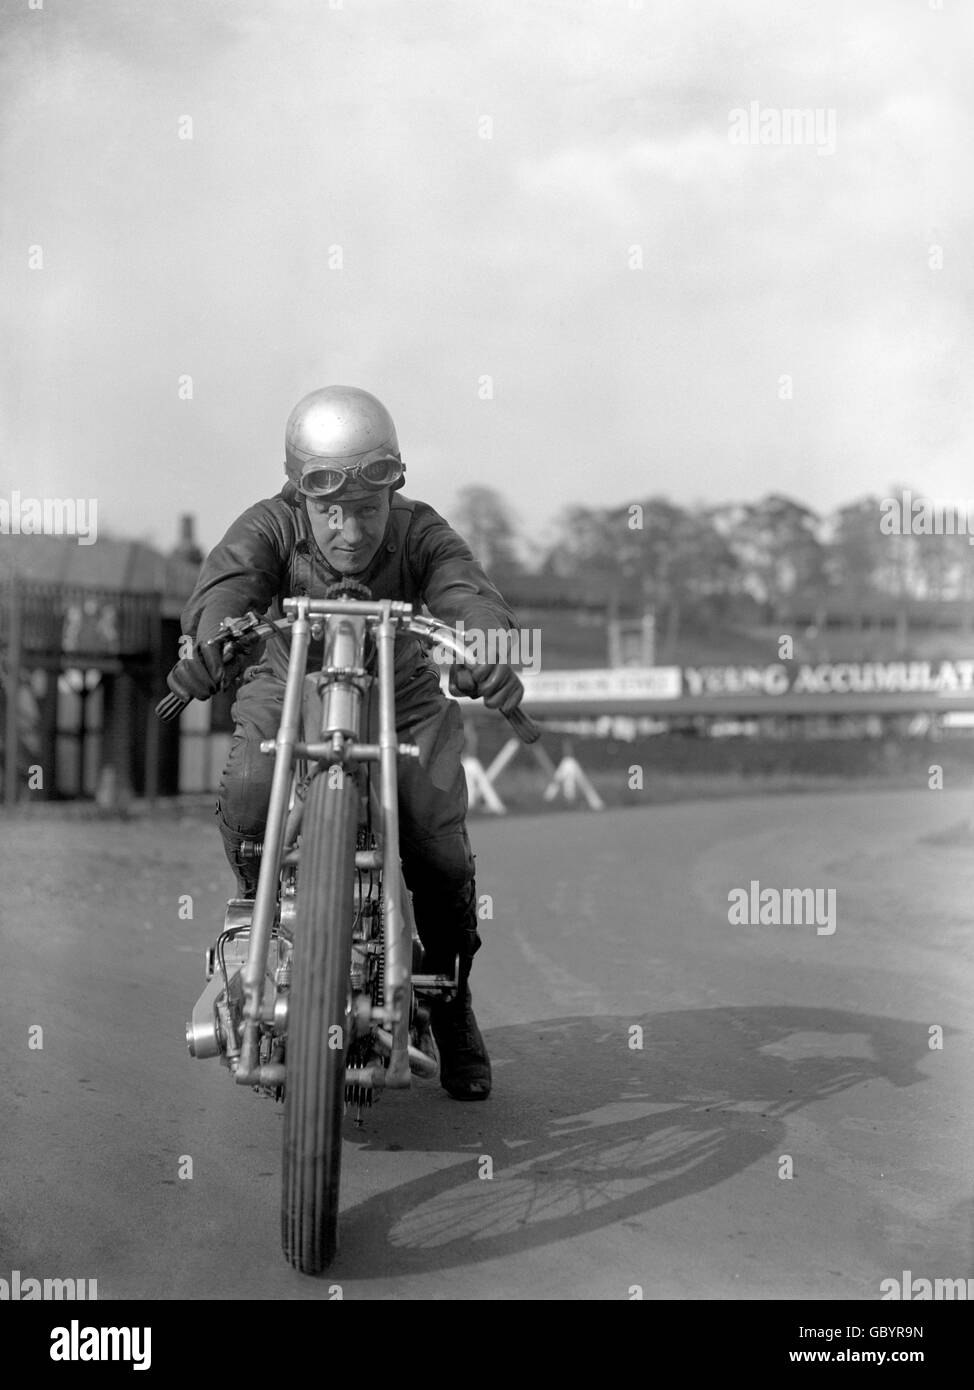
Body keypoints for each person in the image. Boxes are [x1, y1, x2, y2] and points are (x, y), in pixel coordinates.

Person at [166, 385, 524, 1101]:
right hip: (289, 680)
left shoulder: (421, 531)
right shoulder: (268, 526)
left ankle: (451, 1004)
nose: (351, 531)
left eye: (366, 510)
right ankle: (258, 915)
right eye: (330, 511)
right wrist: (209, 640)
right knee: (245, 788)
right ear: (301, 495)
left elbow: (467, 591)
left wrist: (485, 647)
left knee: (436, 839)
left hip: (404, 691)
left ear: (392, 490)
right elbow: (228, 585)